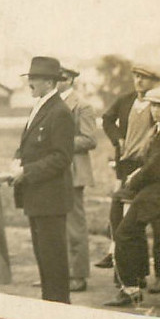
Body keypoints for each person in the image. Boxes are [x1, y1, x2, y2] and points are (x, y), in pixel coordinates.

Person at [99, 63, 160, 293]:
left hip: (157, 171)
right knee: (123, 212)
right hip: (133, 165)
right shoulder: (125, 100)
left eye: (145, 78)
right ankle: (128, 267)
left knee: (158, 225)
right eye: (136, 77)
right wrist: (118, 140)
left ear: (154, 83)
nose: (139, 81)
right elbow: (107, 120)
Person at [0, 56, 74, 304]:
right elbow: (29, 146)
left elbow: (61, 157)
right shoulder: (41, 107)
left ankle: (59, 306)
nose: (30, 83)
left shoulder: (59, 112)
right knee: (44, 256)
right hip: (37, 196)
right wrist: (16, 164)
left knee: (53, 257)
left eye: (34, 79)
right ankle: (51, 303)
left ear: (49, 82)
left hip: (51, 197)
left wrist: (25, 172)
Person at [57, 67, 97, 293]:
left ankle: (78, 275)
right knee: (56, 224)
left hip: (73, 171)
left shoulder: (82, 105)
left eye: (61, 79)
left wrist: (59, 142)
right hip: (54, 171)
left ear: (70, 80)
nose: (57, 82)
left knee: (75, 226)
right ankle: (59, 272)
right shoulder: (48, 103)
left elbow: (90, 139)